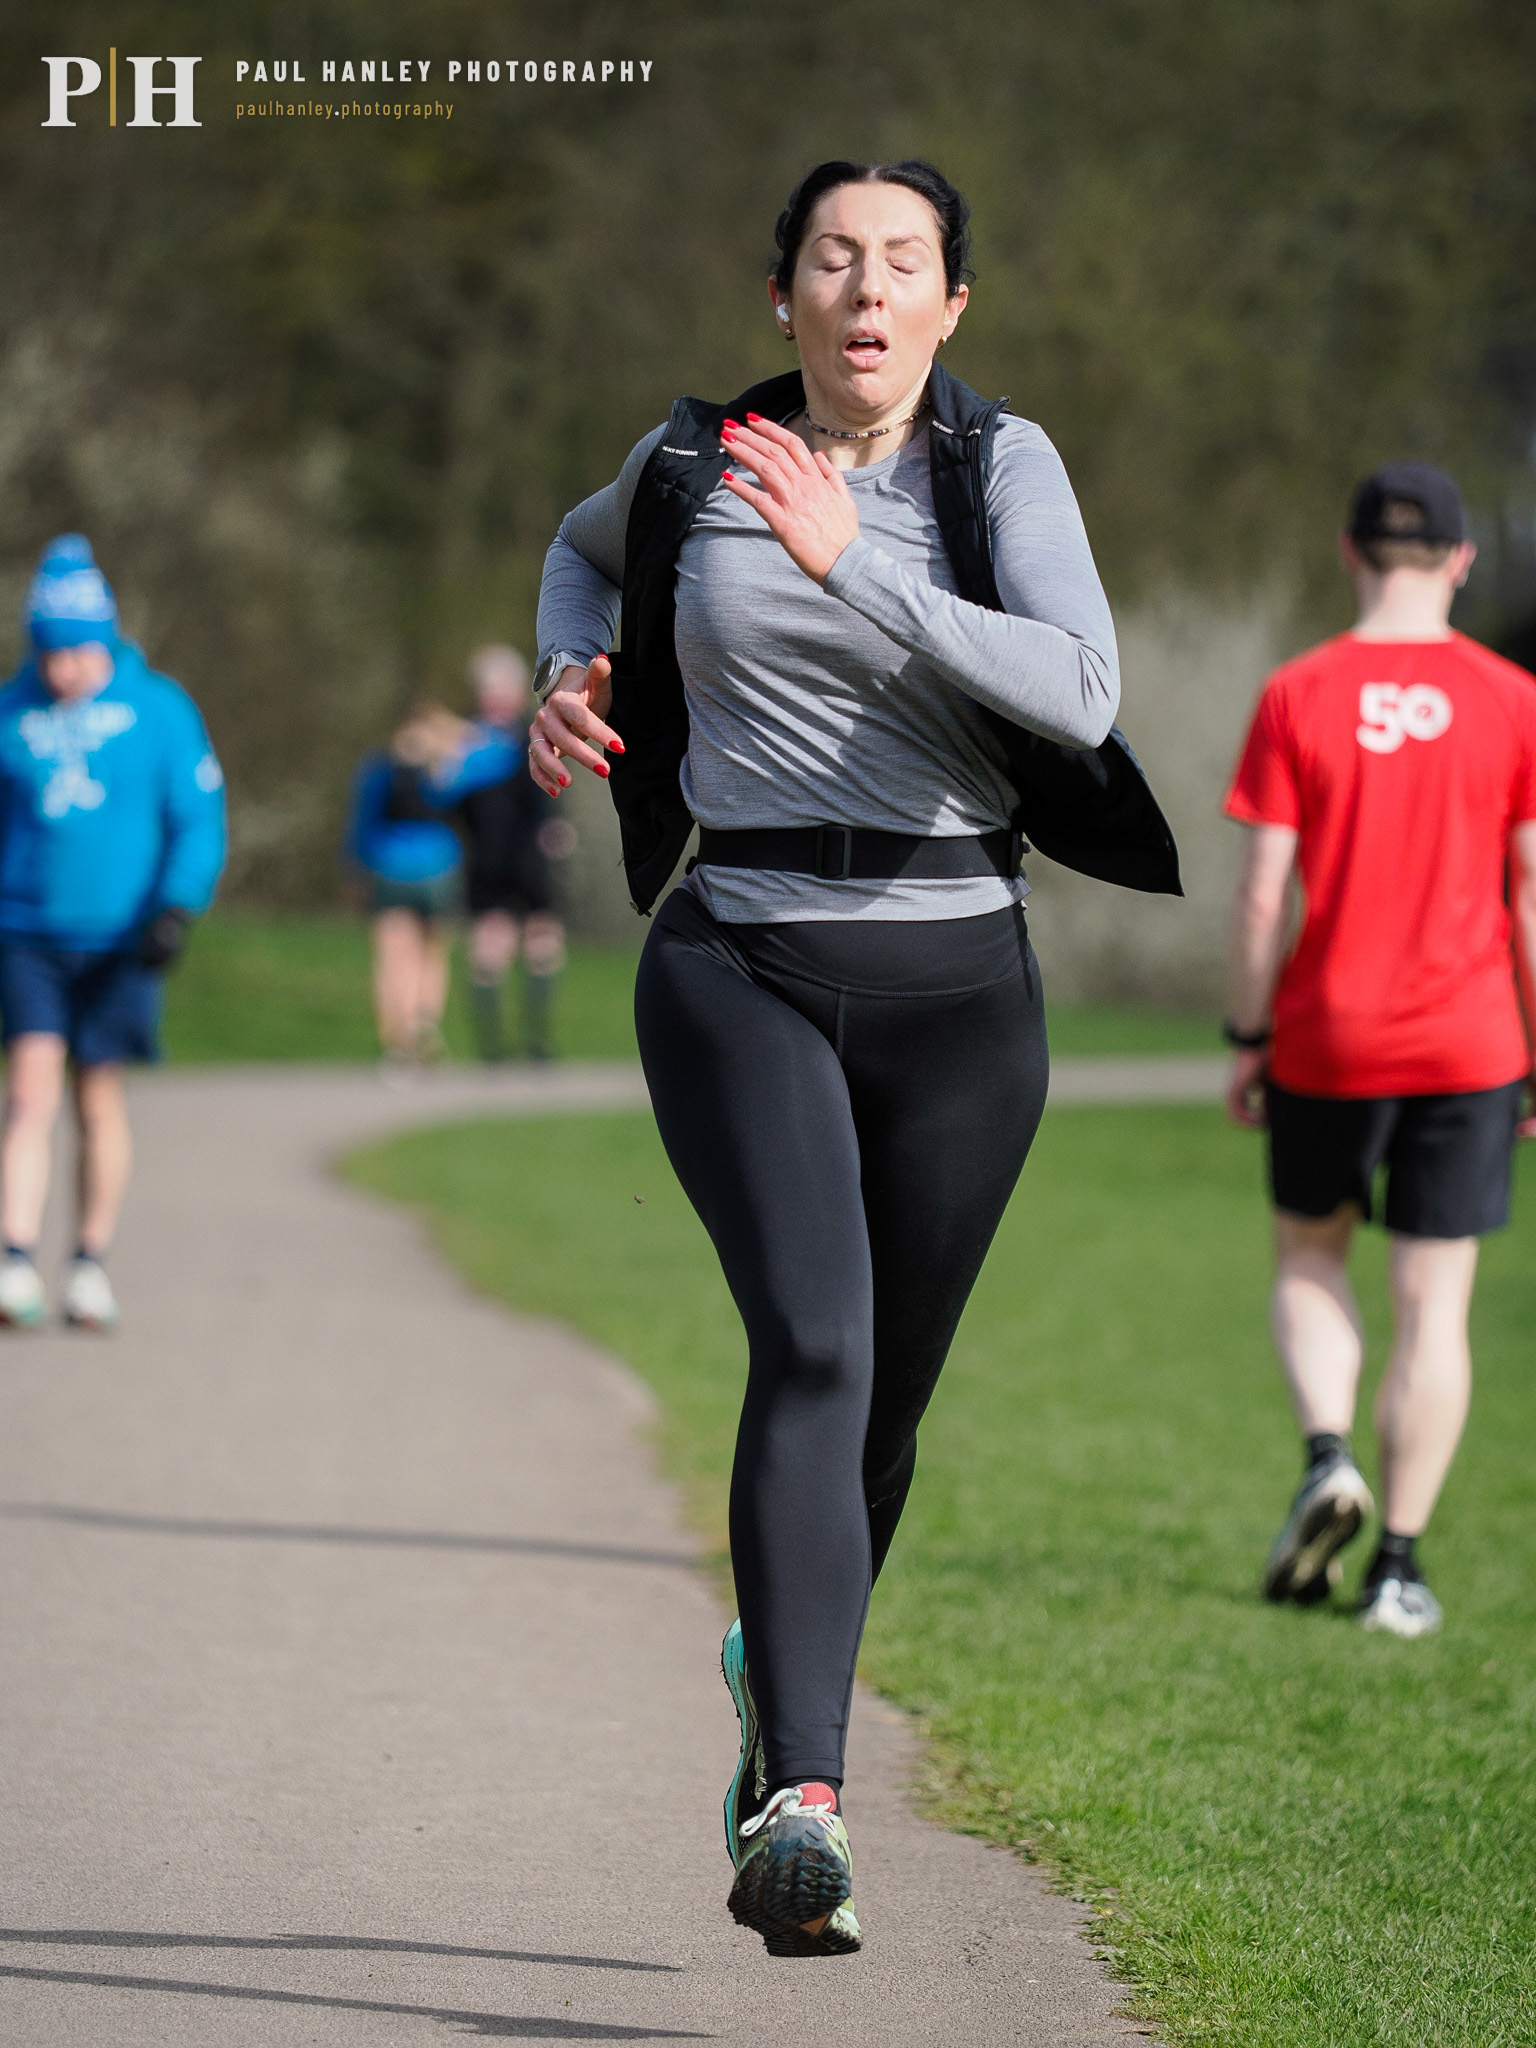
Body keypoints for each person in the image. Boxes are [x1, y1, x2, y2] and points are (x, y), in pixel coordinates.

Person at [529, 159, 1179, 1954]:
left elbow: (1078, 689)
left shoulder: (998, 466)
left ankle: (774, 1666)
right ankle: (803, 1795)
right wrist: (567, 672)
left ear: (951, 304)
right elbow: (580, 556)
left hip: (962, 979)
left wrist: (855, 570)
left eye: (904, 263)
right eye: (835, 259)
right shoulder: (688, 467)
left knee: (880, 1405)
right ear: (784, 296)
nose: (867, 290)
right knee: (812, 1341)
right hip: (736, 950)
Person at [1223, 462, 1536, 1639]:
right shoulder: (1515, 698)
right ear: (1461, 560)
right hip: (1471, 1040)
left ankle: (1326, 1453)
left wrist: (1248, 1032)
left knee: (1311, 1254)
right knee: (1434, 1301)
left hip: (1326, 1035)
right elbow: (1531, 888)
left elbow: (1262, 894)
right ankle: (1398, 1567)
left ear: (1350, 552)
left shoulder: (1298, 691)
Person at [0, 535, 226, 1331]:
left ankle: (89, 1262)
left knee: (97, 1094)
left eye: (76, 652)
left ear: (104, 640)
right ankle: (15, 1257)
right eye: (48, 654)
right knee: (28, 1092)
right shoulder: (10, 710)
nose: (61, 670)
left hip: (126, 937)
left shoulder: (161, 710)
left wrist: (176, 904)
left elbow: (197, 819)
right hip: (26, 931)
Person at [344, 703, 514, 1072]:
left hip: (389, 867)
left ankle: (398, 1039)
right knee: (432, 954)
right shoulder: (445, 770)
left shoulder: (379, 768)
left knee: (393, 955)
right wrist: (459, 732)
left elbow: (360, 823)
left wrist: (354, 872)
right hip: (439, 869)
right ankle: (424, 1024)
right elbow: (505, 752)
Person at [455, 645, 568, 1062]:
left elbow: (551, 793)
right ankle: (492, 1048)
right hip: (487, 859)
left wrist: (556, 830)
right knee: (488, 948)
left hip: (531, 858)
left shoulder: (533, 732)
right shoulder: (465, 740)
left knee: (543, 946)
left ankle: (537, 1042)